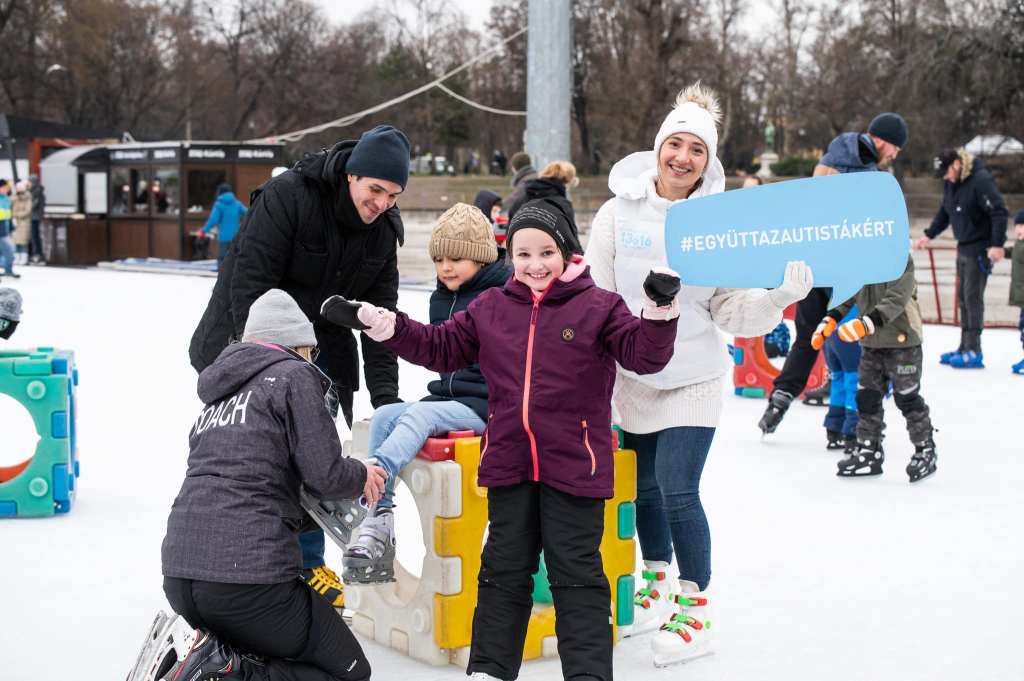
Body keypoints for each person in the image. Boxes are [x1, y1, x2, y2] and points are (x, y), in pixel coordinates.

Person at [322, 197, 681, 681]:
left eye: (546, 252)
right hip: (510, 462)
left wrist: (659, 310)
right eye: (524, 253)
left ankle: (589, 674)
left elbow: (645, 355)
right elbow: (439, 347)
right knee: (502, 571)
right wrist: (384, 324)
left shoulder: (599, 306)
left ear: (567, 253)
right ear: (510, 256)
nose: (535, 265)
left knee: (576, 576)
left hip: (575, 467)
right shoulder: (492, 307)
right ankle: (489, 671)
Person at [584, 82, 813, 666]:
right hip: (631, 377)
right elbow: (600, 296)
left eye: (697, 151)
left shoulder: (717, 225)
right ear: (659, 147)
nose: (683, 157)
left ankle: (696, 606)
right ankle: (657, 583)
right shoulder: (617, 212)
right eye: (676, 144)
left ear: (708, 163)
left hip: (692, 377)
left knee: (678, 489)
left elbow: (732, 311)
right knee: (643, 493)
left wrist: (780, 296)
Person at [189, 124, 411, 607]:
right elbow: (247, 285)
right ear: (352, 175)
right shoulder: (290, 196)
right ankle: (241, 557)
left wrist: (387, 401)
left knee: (316, 455)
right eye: (375, 190)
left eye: (392, 196)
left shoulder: (381, 235)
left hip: (322, 350)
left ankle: (307, 565)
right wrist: (257, 365)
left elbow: (381, 325)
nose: (381, 204)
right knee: (259, 457)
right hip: (242, 335)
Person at [160, 289, 385, 681]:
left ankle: (217, 666)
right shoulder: (293, 375)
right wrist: (362, 473)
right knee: (350, 671)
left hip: (180, 577)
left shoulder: (219, 399)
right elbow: (325, 474)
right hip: (247, 581)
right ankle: (233, 675)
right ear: (301, 346)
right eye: (311, 353)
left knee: (256, 649)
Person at [343, 203, 510, 584]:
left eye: (456, 258)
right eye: (439, 259)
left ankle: (373, 477)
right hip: (448, 399)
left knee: (421, 416)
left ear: (481, 258)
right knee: (386, 414)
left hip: (485, 405)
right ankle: (380, 517)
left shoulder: (500, 297)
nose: (446, 267)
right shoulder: (442, 297)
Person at [759, 112, 908, 434]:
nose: (895, 154)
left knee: (808, 337)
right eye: (895, 147)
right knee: (851, 338)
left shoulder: (833, 156)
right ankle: (853, 417)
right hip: (845, 270)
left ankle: (781, 398)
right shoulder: (864, 171)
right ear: (881, 139)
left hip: (814, 264)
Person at [812, 254, 938, 482]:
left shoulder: (900, 259)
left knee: (906, 398)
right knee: (866, 397)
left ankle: (925, 448)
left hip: (903, 341)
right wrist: (830, 319)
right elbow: (849, 293)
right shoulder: (864, 258)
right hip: (870, 343)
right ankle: (869, 449)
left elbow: (898, 297)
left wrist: (866, 323)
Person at [914, 147, 1009, 369]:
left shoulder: (981, 180)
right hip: (963, 246)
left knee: (973, 298)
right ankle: (964, 346)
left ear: (956, 164)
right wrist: (928, 234)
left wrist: (997, 245)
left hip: (980, 248)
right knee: (963, 300)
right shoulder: (952, 183)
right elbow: (945, 212)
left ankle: (974, 350)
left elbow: (999, 211)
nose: (945, 178)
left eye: (946, 172)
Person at [821, 307, 861, 451]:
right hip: (852, 330)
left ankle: (834, 428)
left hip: (831, 330)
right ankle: (853, 430)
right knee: (855, 381)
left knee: (839, 379)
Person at [506, 160, 578, 228]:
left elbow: (509, 232)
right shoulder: (563, 205)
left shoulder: (520, 200)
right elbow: (571, 239)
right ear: (566, 183)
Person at [200, 183, 248, 269]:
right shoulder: (237, 204)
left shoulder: (219, 205)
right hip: (235, 235)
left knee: (222, 257)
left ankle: (221, 273)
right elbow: (248, 213)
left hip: (223, 236)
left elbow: (213, 220)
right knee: (235, 257)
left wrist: (204, 231)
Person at [1009, 209, 1024, 374]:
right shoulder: (1019, 244)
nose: (1019, 229)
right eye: (1017, 225)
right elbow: (1013, 253)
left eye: (1022, 225)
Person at [504, 151, 537, 216]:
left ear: (515, 167)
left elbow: (513, 200)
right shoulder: (535, 176)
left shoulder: (526, 182)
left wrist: (497, 205)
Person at [0, 180, 18, 280]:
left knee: (9, 252)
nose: (6, 190)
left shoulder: (7, 199)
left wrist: (11, 225)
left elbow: (8, 214)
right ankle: (8, 270)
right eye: (4, 187)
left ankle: (8, 270)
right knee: (8, 251)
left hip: (5, 229)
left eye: (7, 188)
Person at [11, 181, 32, 266]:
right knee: (15, 240)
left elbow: (28, 210)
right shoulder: (14, 197)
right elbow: (10, 206)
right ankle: (16, 257)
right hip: (15, 221)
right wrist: (13, 216)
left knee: (23, 241)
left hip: (24, 221)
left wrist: (17, 215)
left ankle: (24, 258)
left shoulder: (27, 197)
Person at [28, 175, 45, 264]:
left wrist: (27, 207)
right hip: (33, 217)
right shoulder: (34, 191)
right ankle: (35, 254)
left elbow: (33, 205)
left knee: (35, 237)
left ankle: (37, 255)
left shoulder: (37, 192)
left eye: (29, 182)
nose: (28, 184)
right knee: (33, 237)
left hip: (35, 217)